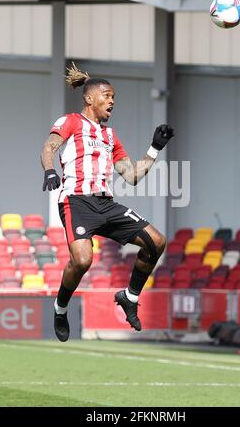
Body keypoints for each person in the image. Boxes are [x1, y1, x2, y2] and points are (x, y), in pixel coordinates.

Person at [41, 62, 174, 342]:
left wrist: (154, 148)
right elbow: (49, 146)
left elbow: (132, 176)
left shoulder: (110, 137)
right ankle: (60, 307)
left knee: (157, 242)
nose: (112, 101)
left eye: (113, 97)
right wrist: (50, 170)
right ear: (90, 98)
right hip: (76, 201)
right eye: (107, 95)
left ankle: (130, 296)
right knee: (82, 260)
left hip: (105, 204)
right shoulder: (71, 122)